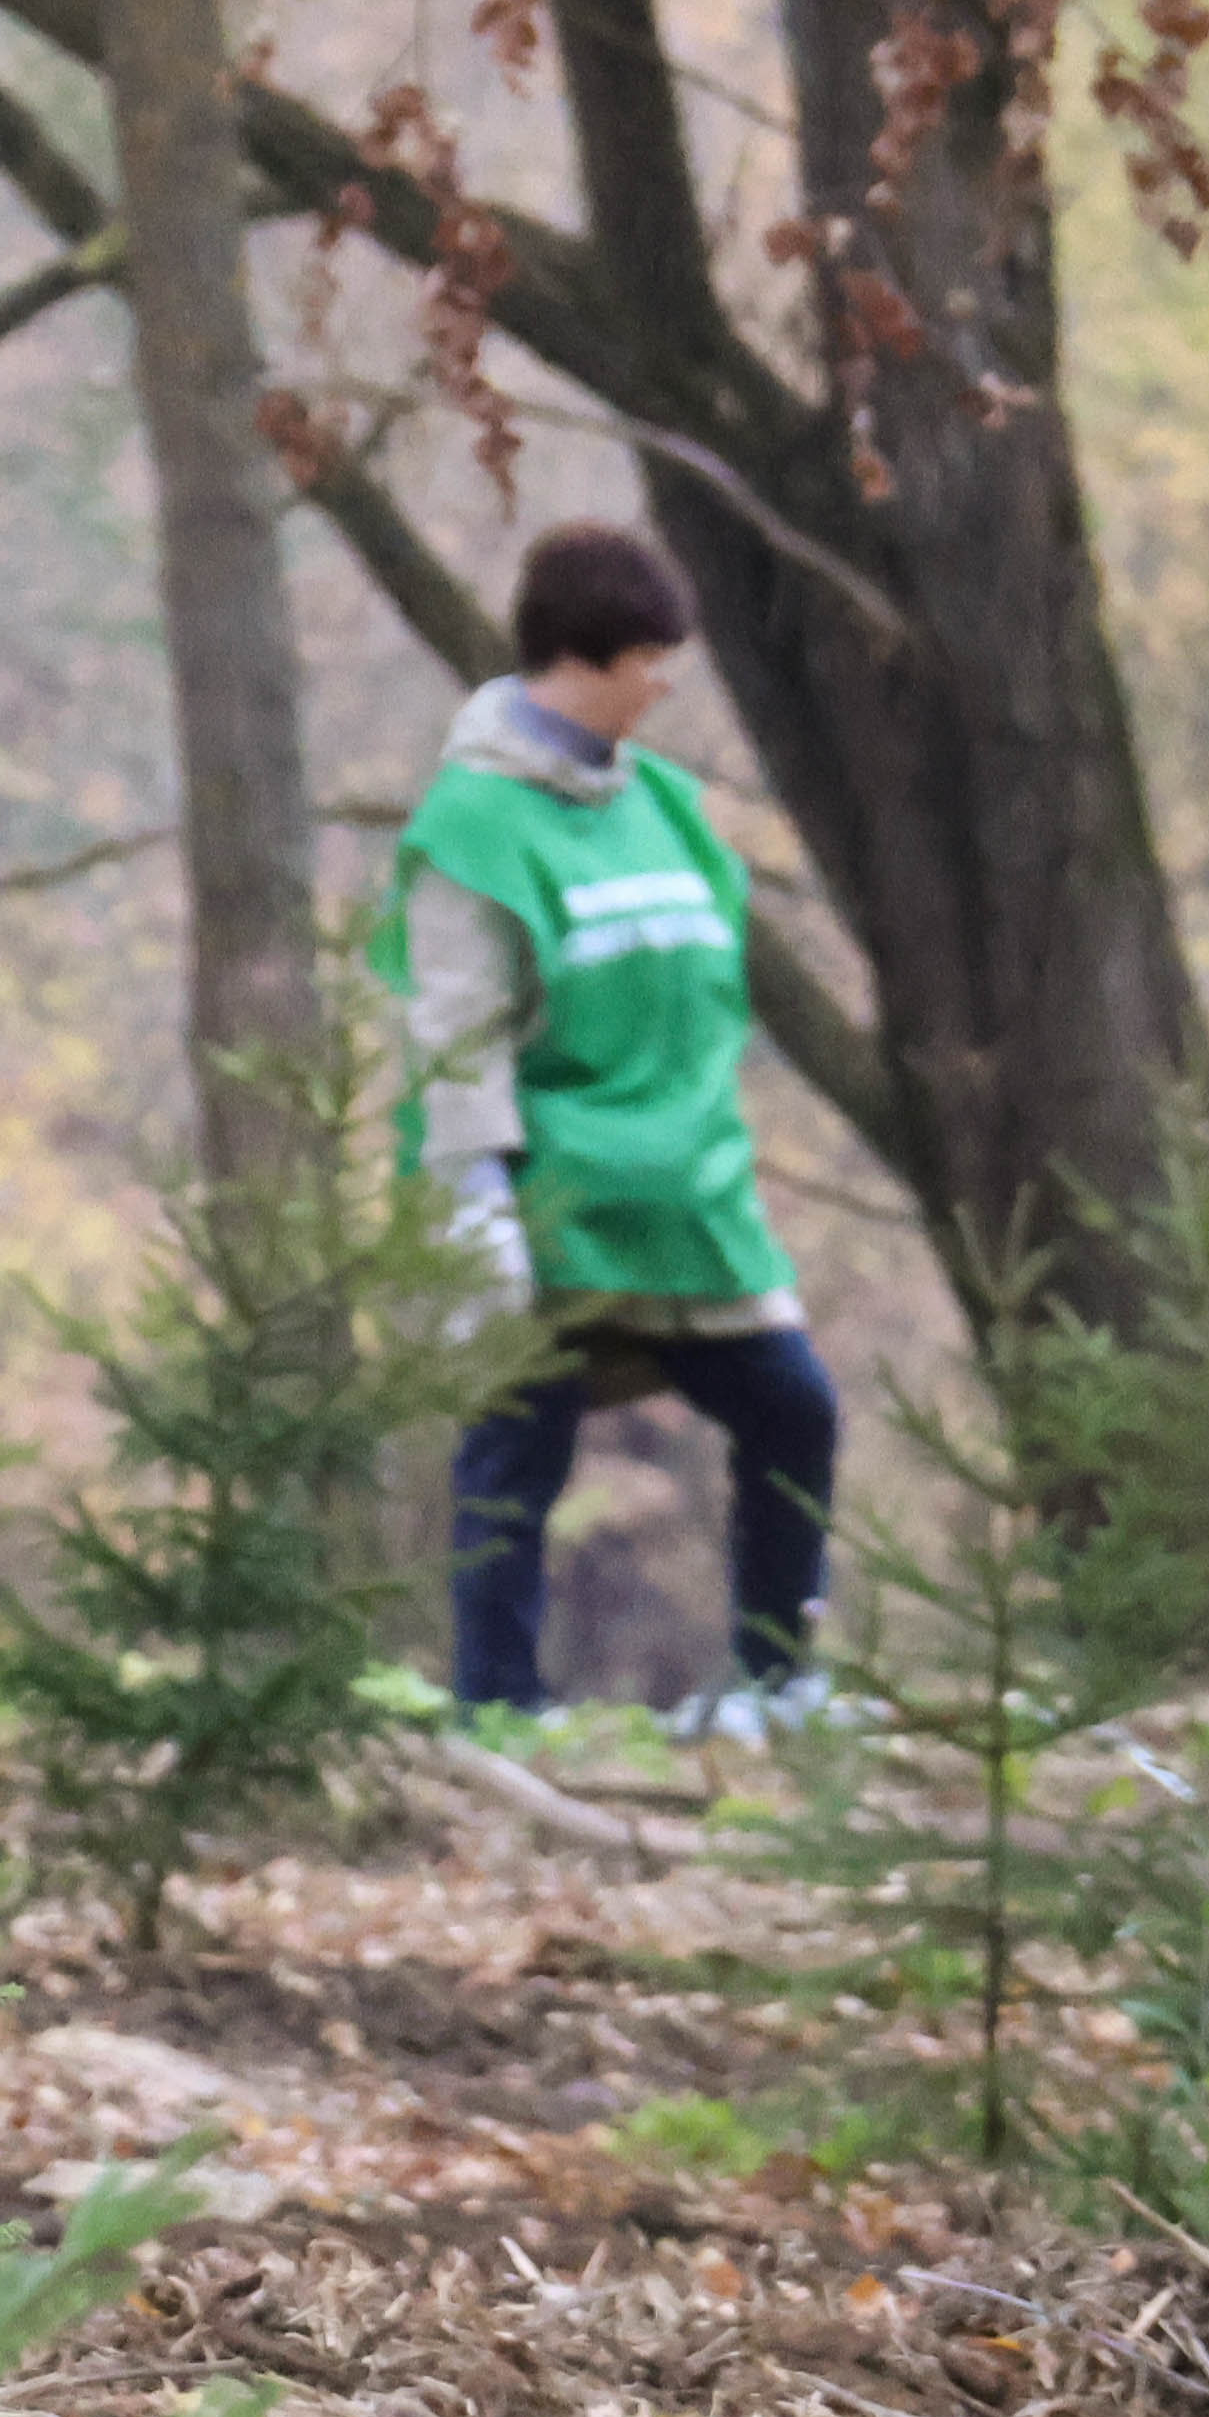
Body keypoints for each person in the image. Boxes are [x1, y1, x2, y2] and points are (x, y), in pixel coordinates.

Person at [374, 520, 837, 1735]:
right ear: (588, 657)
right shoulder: (473, 832)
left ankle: (781, 1683)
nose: (666, 678)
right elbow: (454, 1035)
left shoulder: (667, 808)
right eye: (650, 655)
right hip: (554, 1205)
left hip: (689, 1207)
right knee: (514, 1457)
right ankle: (497, 1709)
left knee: (793, 1409)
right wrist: (472, 1207)